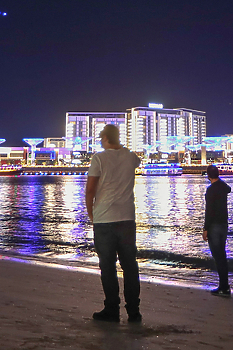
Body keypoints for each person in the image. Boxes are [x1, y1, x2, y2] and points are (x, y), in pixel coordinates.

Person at [86, 124, 142, 323]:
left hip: (104, 220)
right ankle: (134, 312)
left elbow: (90, 189)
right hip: (127, 218)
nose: (101, 142)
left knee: (108, 267)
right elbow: (137, 159)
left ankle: (112, 310)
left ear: (105, 138)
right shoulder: (130, 156)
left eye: (102, 139)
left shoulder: (99, 158)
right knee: (130, 266)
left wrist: (91, 214)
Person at [203, 164, 231, 296]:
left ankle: (223, 287)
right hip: (224, 225)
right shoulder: (223, 188)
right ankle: (225, 286)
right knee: (222, 255)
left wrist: (205, 228)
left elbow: (209, 212)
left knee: (218, 256)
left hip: (213, 226)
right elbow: (228, 188)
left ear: (208, 176)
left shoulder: (210, 190)